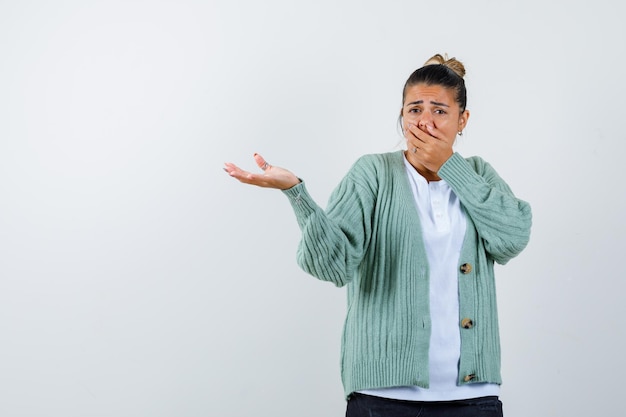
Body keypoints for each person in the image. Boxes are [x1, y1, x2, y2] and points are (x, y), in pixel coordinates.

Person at [223, 54, 532, 417]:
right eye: (414, 109)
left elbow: (512, 236)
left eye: (439, 111)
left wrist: (450, 167)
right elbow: (333, 266)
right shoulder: (372, 173)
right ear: (402, 116)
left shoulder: (477, 173)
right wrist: (296, 193)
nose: (425, 121)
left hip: (473, 395)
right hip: (381, 396)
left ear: (462, 119)